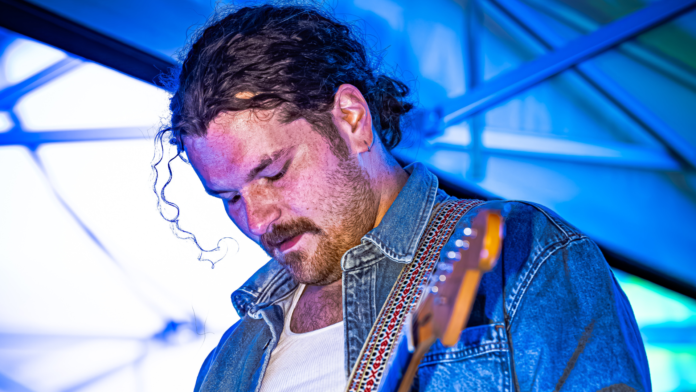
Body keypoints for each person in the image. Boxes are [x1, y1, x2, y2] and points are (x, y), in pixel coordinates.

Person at [158, 4, 651, 391]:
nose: (257, 219)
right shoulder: (231, 356)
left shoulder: (519, 253)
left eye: (275, 171)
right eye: (229, 198)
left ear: (351, 119)